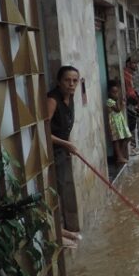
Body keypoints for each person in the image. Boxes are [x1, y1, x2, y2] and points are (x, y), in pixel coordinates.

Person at [46, 66, 82, 248]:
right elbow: (44, 130)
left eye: (75, 80)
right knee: (53, 193)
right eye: (67, 80)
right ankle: (55, 234)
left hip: (61, 151)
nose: (71, 84)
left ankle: (59, 229)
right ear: (59, 81)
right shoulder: (53, 100)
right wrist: (66, 144)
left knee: (59, 191)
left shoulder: (71, 98)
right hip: (50, 153)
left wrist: (67, 145)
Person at [107, 81, 132, 164]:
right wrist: (123, 104)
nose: (116, 94)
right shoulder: (109, 101)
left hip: (120, 123)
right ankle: (119, 156)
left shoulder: (114, 100)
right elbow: (118, 110)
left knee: (127, 137)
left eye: (117, 92)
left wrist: (119, 101)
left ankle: (121, 155)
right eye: (113, 92)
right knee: (116, 140)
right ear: (109, 93)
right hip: (115, 124)